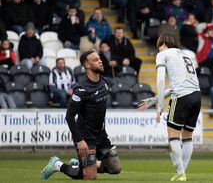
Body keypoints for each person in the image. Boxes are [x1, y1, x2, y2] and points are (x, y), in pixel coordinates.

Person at [40, 50, 121, 180]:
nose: (100, 61)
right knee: (89, 176)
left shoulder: (103, 82)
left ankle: (81, 164)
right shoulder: (81, 90)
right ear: (87, 65)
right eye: (95, 60)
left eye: (99, 58)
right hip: (86, 138)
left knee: (115, 169)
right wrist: (79, 140)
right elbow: (69, 116)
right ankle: (57, 164)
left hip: (101, 135)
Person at [138, 33, 201, 181]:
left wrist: (160, 106)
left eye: (159, 45)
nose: (158, 49)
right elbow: (177, 85)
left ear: (163, 43)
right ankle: (182, 173)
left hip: (181, 98)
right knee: (187, 137)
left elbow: (160, 81)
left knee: (173, 136)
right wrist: (154, 100)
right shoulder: (185, 55)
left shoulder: (163, 54)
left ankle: (180, 173)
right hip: (196, 96)